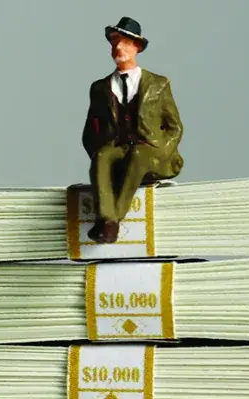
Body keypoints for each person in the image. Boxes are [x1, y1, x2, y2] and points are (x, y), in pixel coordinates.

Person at [79, 17, 184, 244]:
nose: (119, 48)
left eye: (126, 42)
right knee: (103, 156)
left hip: (150, 150)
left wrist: (162, 150)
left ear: (137, 47)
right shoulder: (100, 88)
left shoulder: (158, 83)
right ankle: (108, 218)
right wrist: (101, 156)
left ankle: (111, 221)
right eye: (115, 42)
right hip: (119, 147)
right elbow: (90, 130)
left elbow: (174, 126)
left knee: (139, 154)